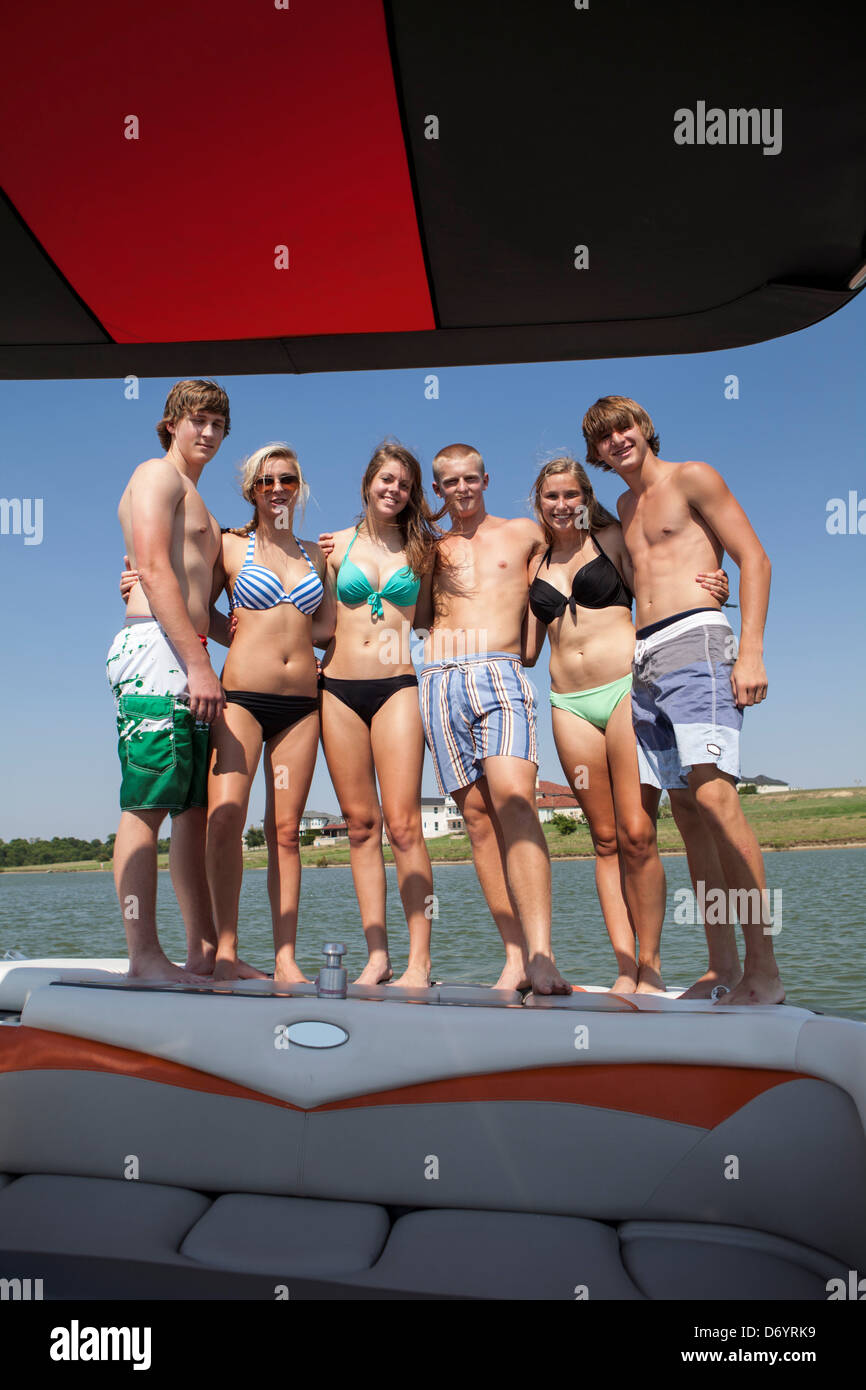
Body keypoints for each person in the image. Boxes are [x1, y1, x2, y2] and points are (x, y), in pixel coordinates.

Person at [582, 395, 784, 1005]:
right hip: (645, 659)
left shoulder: (692, 477)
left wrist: (750, 652)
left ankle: (766, 971)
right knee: (688, 814)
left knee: (718, 798)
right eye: (605, 437)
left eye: (625, 427)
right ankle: (720, 966)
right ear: (596, 453)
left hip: (698, 643)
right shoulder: (621, 505)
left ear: (644, 428)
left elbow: (755, 559)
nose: (619, 439)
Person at [523, 456, 730, 993]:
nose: (563, 505)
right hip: (568, 702)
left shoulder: (611, 537)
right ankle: (623, 967)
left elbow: (659, 587)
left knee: (639, 833)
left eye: (572, 494)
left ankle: (651, 966)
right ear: (538, 502)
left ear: (585, 496)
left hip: (623, 689)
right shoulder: (535, 563)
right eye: (552, 497)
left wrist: (713, 584)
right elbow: (524, 647)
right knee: (605, 838)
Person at [415, 443, 571, 996]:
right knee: (478, 820)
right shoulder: (430, 548)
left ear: (486, 478)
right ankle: (513, 957)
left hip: (499, 672)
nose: (462, 489)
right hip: (438, 678)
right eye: (449, 482)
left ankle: (543, 954)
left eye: (470, 479)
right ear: (436, 490)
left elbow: (581, 551)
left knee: (515, 801)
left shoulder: (525, 532)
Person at [108, 379, 230, 982]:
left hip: (187, 649)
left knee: (190, 809)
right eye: (197, 420)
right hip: (163, 654)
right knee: (148, 802)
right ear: (171, 424)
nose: (207, 432)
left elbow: (202, 601)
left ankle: (202, 951)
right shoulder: (155, 475)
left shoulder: (198, 499)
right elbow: (154, 570)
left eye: (217, 423)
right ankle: (144, 957)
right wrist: (200, 663)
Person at [205, 444, 332, 983]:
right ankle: (226, 951)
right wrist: (137, 588)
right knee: (227, 815)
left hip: (302, 705)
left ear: (298, 487)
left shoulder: (316, 554)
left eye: (287, 480)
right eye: (266, 481)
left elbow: (325, 628)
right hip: (240, 699)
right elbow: (195, 607)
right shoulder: (231, 547)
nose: (276, 488)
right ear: (250, 490)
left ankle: (285, 957)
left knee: (285, 831)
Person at [319, 442, 439, 987]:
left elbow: (442, 614)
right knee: (361, 828)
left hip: (397, 687)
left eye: (405, 484)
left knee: (406, 826)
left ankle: (419, 960)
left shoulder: (423, 550)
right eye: (386, 480)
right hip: (338, 688)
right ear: (368, 482)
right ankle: (378, 956)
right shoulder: (332, 545)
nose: (394, 490)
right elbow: (309, 616)